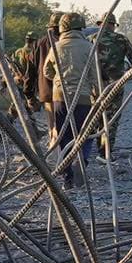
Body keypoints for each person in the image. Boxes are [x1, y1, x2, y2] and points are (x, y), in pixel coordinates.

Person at [40, 11, 99, 185]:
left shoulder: (56, 47)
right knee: (86, 134)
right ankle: (82, 161)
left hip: (60, 98)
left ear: (62, 28)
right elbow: (95, 76)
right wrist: (97, 94)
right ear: (81, 28)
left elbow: (46, 71)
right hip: (83, 98)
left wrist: (59, 79)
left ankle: (67, 175)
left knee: (64, 137)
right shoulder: (89, 47)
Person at [92, 10, 132, 156]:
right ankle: (106, 151)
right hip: (116, 85)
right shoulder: (121, 39)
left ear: (100, 25)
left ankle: (95, 147)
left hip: (96, 85)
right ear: (113, 25)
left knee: (96, 116)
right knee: (112, 118)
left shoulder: (92, 39)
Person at [11, 31, 45, 110]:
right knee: (29, 105)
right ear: (35, 41)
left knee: (17, 104)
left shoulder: (18, 51)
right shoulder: (34, 53)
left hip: (18, 81)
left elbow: (12, 67)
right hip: (29, 83)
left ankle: (11, 115)